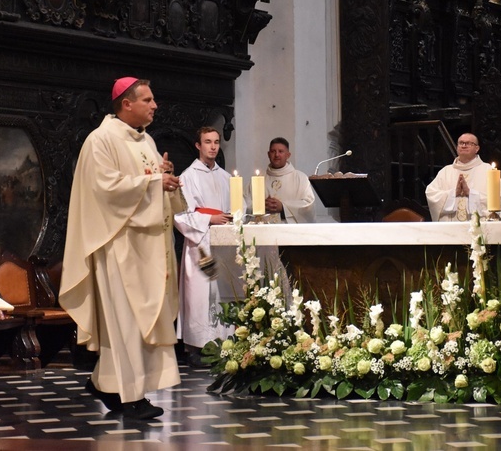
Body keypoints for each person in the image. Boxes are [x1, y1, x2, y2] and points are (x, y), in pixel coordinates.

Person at [59, 77, 183, 420]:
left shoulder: (147, 141)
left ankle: (106, 382)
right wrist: (154, 182)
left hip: (148, 247)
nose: (155, 105)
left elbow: (149, 182)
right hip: (118, 247)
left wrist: (165, 178)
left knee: (141, 322)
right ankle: (131, 397)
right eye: (148, 100)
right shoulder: (100, 140)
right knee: (126, 323)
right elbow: (106, 189)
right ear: (126, 103)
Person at [173, 127, 236, 367]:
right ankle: (197, 348)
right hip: (201, 244)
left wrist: (231, 218)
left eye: (216, 142)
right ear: (198, 146)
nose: (213, 147)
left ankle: (224, 344)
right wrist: (210, 219)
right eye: (207, 142)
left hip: (224, 243)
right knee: (200, 295)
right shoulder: (188, 176)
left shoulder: (227, 177)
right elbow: (181, 214)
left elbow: (238, 206)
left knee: (222, 293)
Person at [425, 133, 501, 221]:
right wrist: (453, 193)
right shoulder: (446, 171)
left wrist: (470, 193)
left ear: (477, 148)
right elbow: (431, 194)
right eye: (461, 143)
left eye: (468, 143)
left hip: (478, 227)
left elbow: (496, 198)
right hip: (451, 228)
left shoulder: (488, 170)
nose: (464, 146)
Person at [246, 137, 315, 223]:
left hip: (289, 231)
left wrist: (283, 207)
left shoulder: (301, 178)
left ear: (288, 155)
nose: (277, 155)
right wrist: (260, 205)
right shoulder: (258, 179)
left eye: (281, 151)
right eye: (273, 151)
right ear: (268, 154)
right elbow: (245, 203)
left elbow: (308, 205)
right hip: (263, 230)